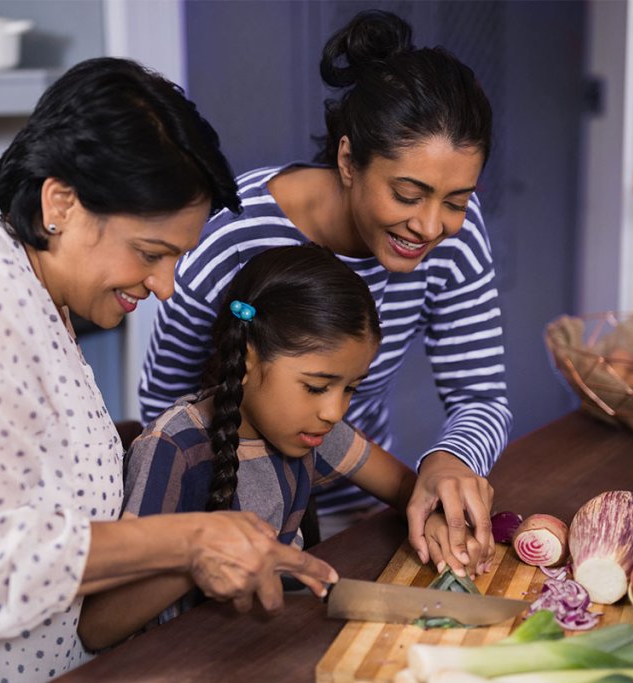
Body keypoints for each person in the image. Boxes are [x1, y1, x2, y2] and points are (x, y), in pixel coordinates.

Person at [0, 57, 338, 682]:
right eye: (151, 254)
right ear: (60, 203)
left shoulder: (40, 300)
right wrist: (194, 538)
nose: (166, 287)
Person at [139, 10, 510, 576]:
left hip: (362, 510)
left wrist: (447, 462)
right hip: (227, 525)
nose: (432, 226)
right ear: (346, 159)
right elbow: (164, 404)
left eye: (456, 201)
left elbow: (481, 395)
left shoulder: (458, 236)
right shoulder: (234, 236)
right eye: (408, 194)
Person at [79, 245, 457, 649]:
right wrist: (200, 557)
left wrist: (429, 516)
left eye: (350, 388)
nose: (333, 410)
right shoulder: (173, 448)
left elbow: (404, 489)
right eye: (316, 386)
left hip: (262, 649)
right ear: (246, 360)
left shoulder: (307, 426)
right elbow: (99, 627)